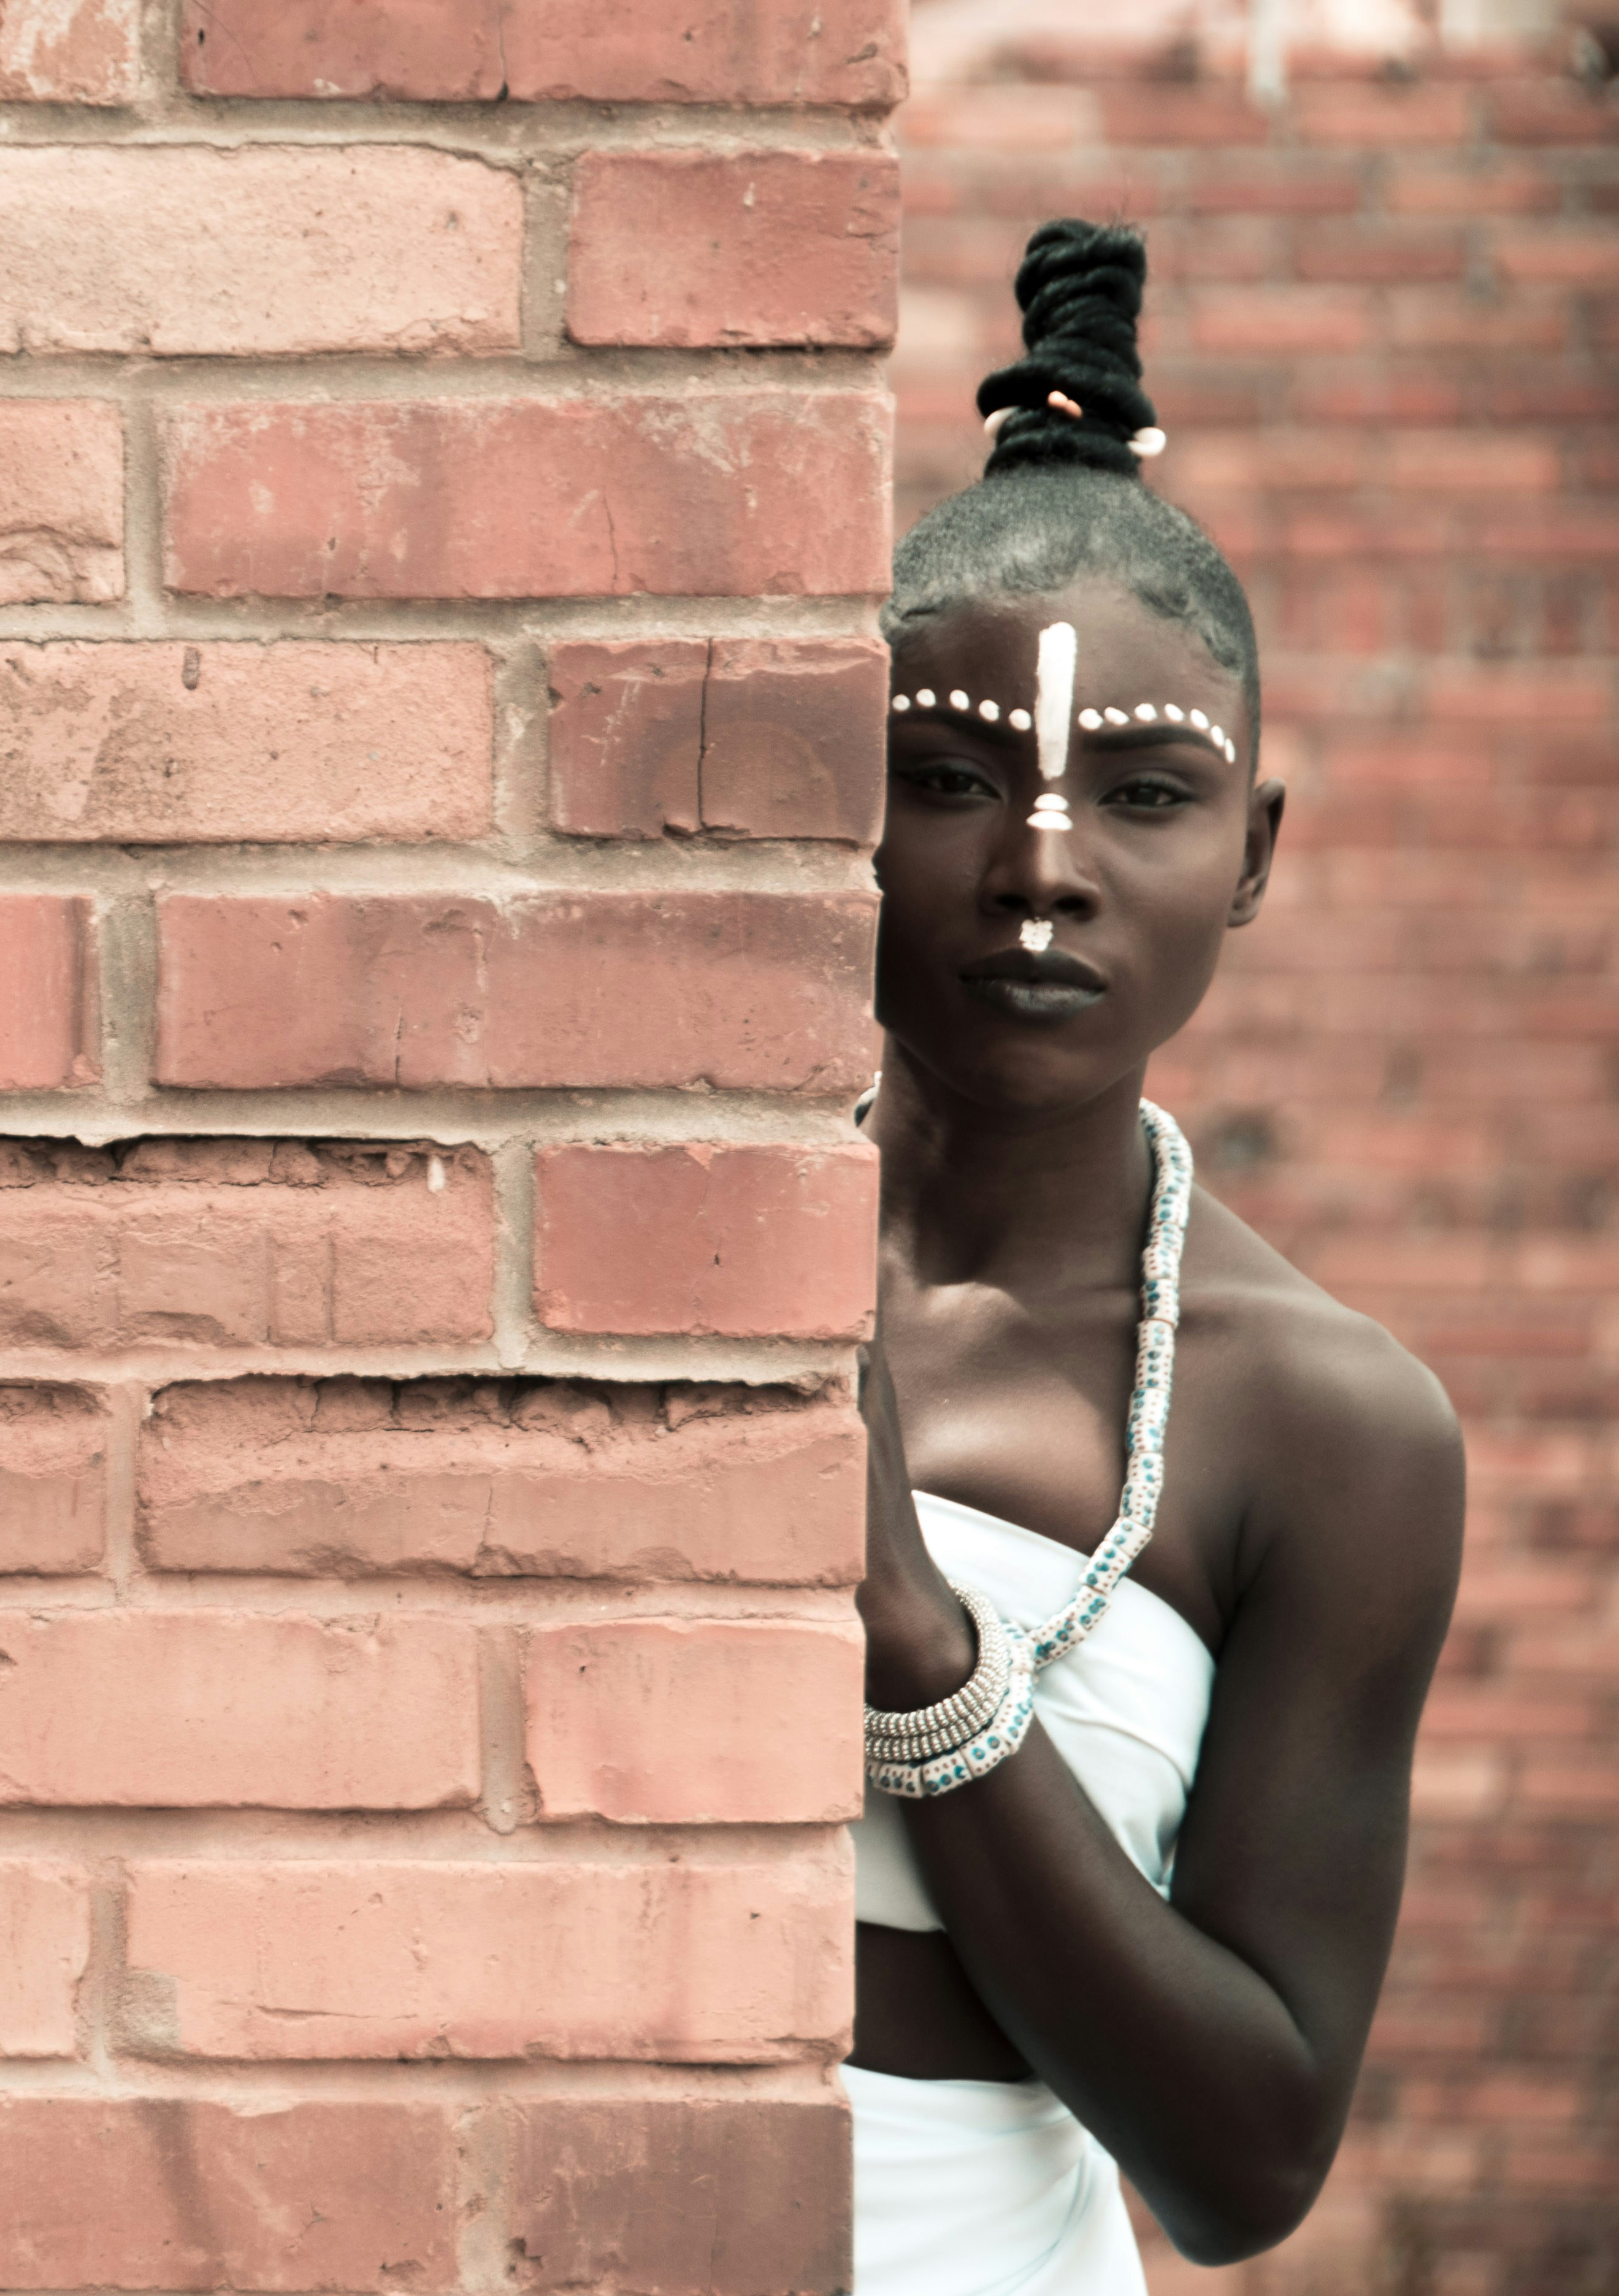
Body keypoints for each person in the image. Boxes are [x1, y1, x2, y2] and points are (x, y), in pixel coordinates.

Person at [848, 220, 1465, 2294]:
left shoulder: (1329, 1427)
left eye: (1141, 795)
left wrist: (913, 1635)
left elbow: (1243, 2168)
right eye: (950, 779)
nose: (1041, 871)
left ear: (1251, 854)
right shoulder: (622, 1264)